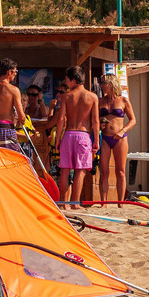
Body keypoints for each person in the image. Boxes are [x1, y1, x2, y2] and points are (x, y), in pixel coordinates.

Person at [54, 66, 98, 204]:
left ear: (74, 80)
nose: (66, 83)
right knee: (80, 170)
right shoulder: (92, 97)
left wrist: (57, 138)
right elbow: (95, 121)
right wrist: (96, 139)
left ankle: (64, 203)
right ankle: (74, 203)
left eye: (67, 80)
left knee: (65, 169)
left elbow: (61, 119)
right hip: (83, 135)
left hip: (68, 134)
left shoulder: (67, 97)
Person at [95, 74, 137, 204]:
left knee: (120, 171)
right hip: (106, 137)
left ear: (112, 83)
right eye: (101, 84)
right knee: (104, 171)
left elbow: (133, 120)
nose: (102, 86)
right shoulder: (100, 101)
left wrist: (123, 130)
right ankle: (104, 202)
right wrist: (100, 123)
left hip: (120, 138)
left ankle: (121, 202)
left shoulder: (123, 100)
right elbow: (95, 119)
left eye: (104, 83)